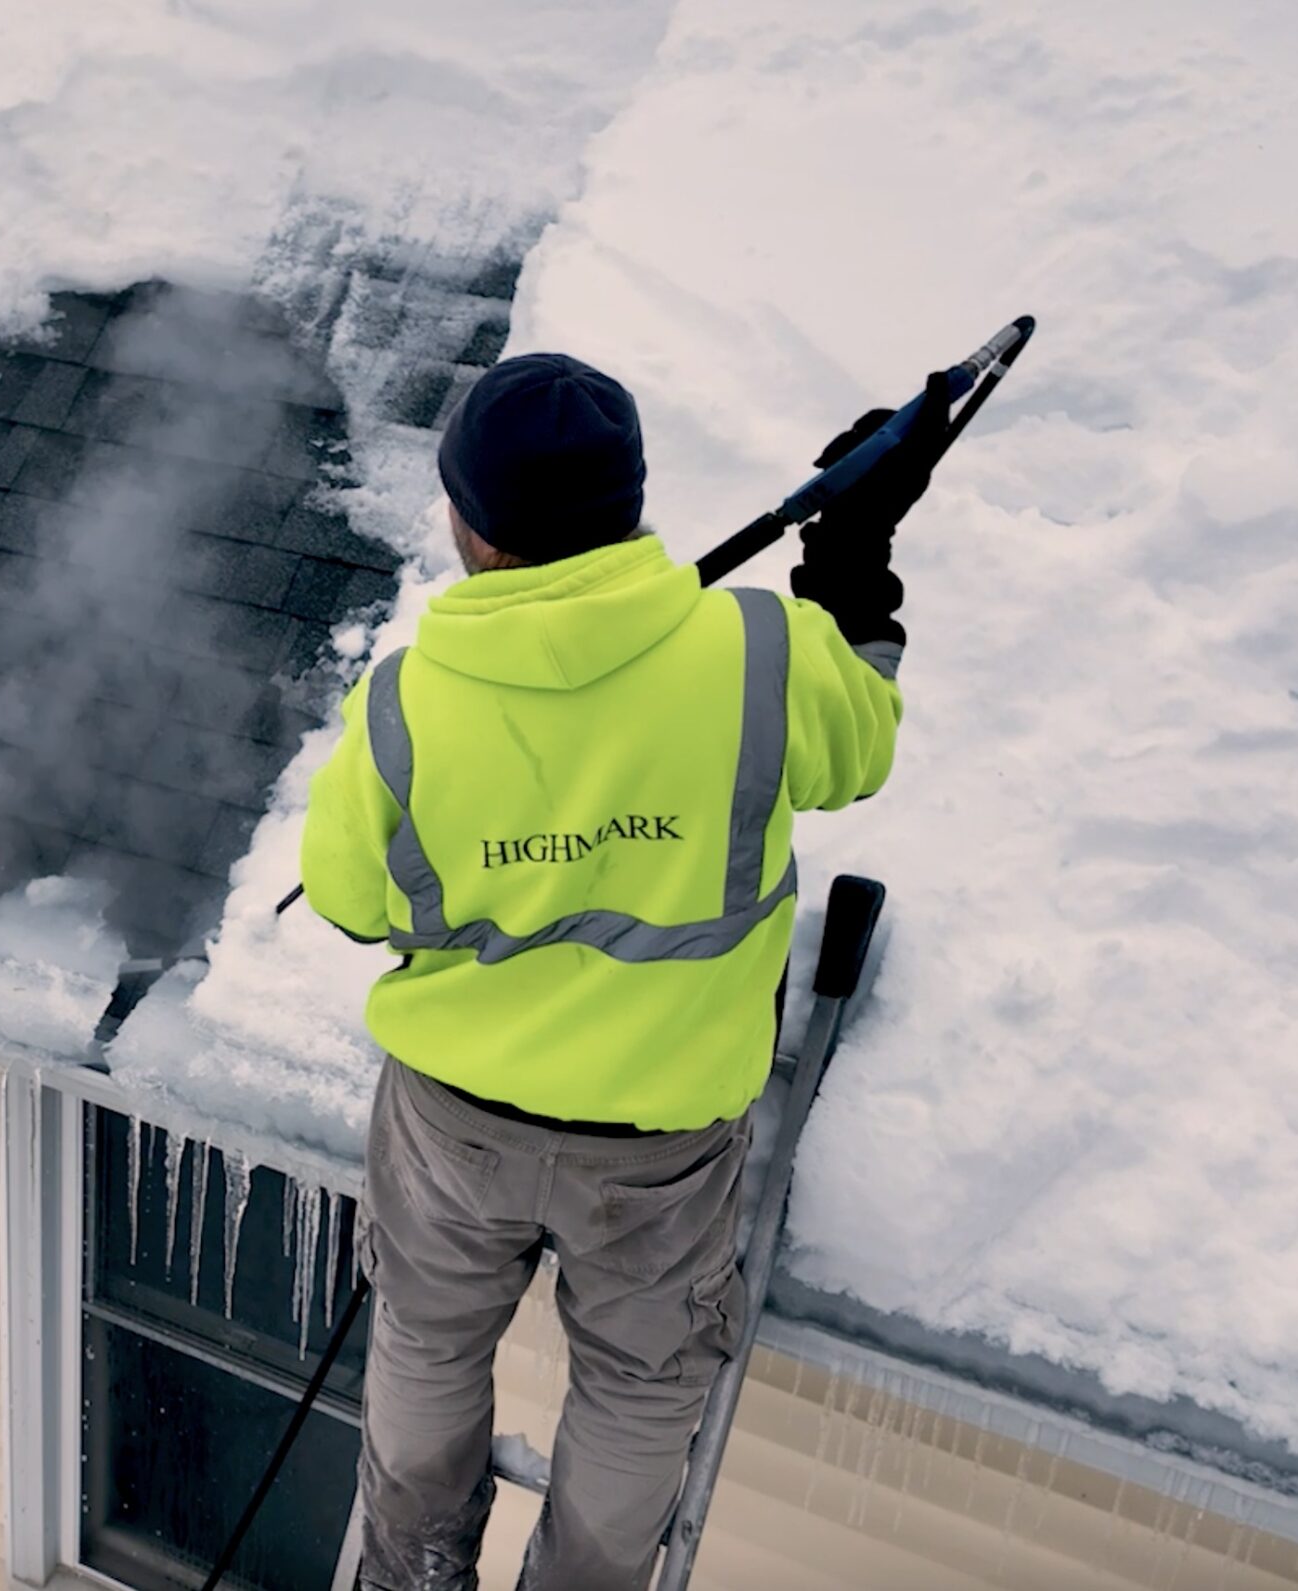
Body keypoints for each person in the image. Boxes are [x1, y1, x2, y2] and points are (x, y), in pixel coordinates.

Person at [299, 351, 944, 1590]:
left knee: (429, 1344)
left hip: (455, 1125)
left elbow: (345, 896)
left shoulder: (404, 707)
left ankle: (412, 1567)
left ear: (471, 527)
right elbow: (859, 742)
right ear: (630, 500)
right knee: (641, 1388)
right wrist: (851, 551)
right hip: (658, 1137)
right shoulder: (756, 653)